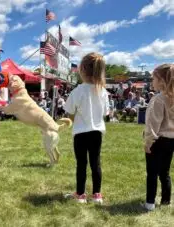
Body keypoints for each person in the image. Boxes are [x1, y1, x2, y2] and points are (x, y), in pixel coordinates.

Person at [64, 52, 109, 204]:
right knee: (95, 162)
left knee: (81, 163)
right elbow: (106, 113)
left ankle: (81, 194)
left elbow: (69, 112)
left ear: (82, 70)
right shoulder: (102, 91)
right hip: (97, 132)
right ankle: (97, 194)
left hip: (80, 133)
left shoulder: (77, 91)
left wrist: (67, 121)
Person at [142, 64, 174, 211]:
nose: (151, 81)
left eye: (153, 78)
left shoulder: (158, 99)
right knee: (165, 172)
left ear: (161, 80)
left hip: (158, 140)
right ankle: (166, 200)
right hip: (171, 140)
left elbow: (153, 124)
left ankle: (150, 203)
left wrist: (148, 142)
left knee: (152, 173)